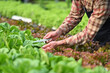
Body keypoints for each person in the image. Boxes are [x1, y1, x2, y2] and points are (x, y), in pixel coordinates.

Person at [42, 0, 110, 51]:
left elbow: (87, 34)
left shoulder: (102, 2)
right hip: (97, 32)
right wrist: (58, 32)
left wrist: (59, 43)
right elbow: (74, 16)